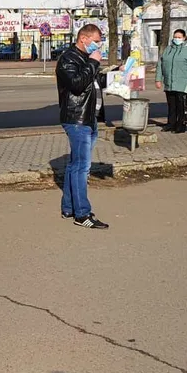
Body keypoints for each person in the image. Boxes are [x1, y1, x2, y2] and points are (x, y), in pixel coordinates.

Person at [56, 24, 109, 230]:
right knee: (81, 167)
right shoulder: (68, 59)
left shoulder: (85, 59)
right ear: (84, 39)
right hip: (76, 119)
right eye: (96, 40)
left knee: (74, 165)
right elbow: (77, 84)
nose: (98, 45)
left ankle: (69, 207)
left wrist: (118, 74)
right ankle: (82, 213)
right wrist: (94, 62)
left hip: (89, 118)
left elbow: (93, 82)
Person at [155, 28, 187, 134]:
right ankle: (170, 124)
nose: (177, 39)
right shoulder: (168, 49)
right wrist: (158, 79)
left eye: (179, 37)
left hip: (184, 83)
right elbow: (160, 64)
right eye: (175, 37)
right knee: (171, 105)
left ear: (184, 38)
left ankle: (180, 125)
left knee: (181, 106)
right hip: (170, 83)